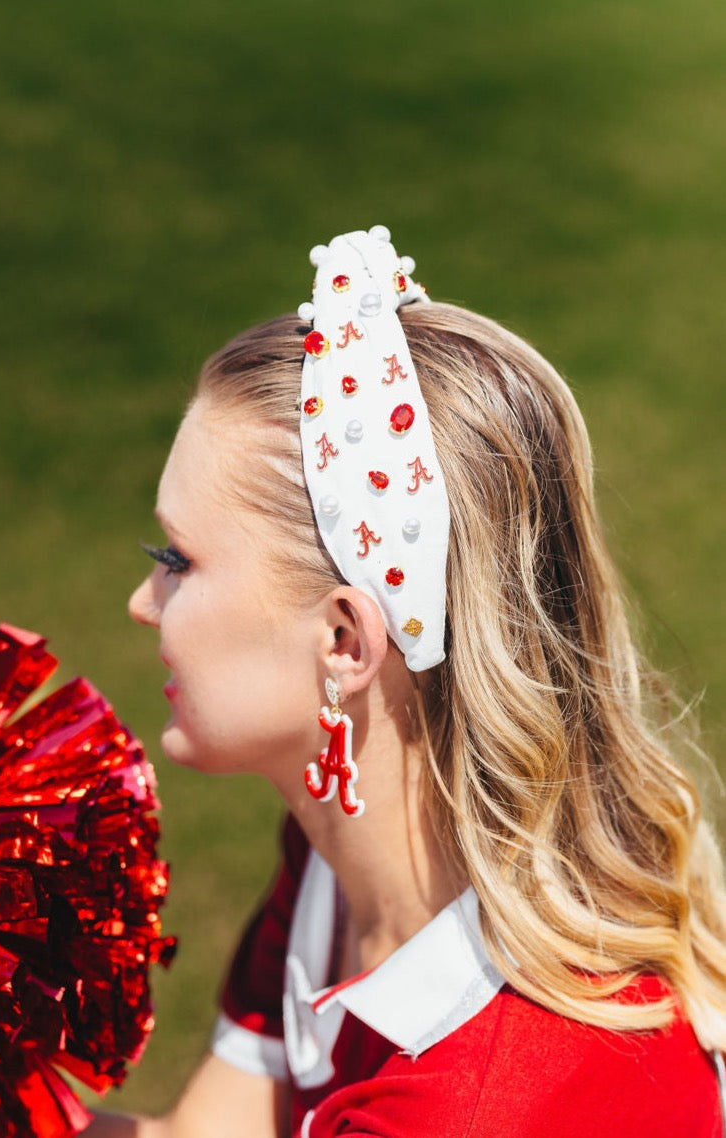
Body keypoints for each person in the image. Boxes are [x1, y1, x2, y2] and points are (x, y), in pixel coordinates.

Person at [85, 227, 726, 1137]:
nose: (140, 603)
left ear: (344, 641)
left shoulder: (484, 1102)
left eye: (175, 560)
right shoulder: (336, 864)